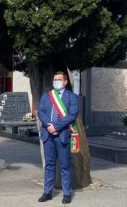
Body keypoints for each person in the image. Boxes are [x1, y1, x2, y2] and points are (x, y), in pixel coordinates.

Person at [37, 71, 78, 205]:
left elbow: (72, 115)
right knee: (49, 165)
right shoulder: (46, 96)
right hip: (48, 135)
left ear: (65, 81)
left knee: (65, 166)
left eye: (59, 80)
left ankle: (67, 194)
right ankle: (47, 192)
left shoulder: (72, 97)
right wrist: (49, 126)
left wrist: (56, 127)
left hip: (63, 135)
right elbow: (41, 111)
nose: (56, 82)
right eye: (54, 80)